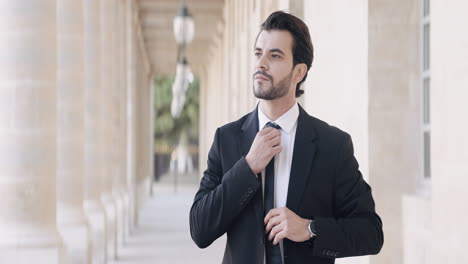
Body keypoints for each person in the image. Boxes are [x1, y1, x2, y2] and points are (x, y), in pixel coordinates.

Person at [189, 11, 384, 264]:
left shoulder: (332, 145)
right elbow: (199, 229)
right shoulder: (226, 139)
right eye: (258, 53)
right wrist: (247, 167)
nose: (261, 64)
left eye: (275, 56)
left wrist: (309, 229)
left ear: (298, 72)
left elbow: (371, 232)